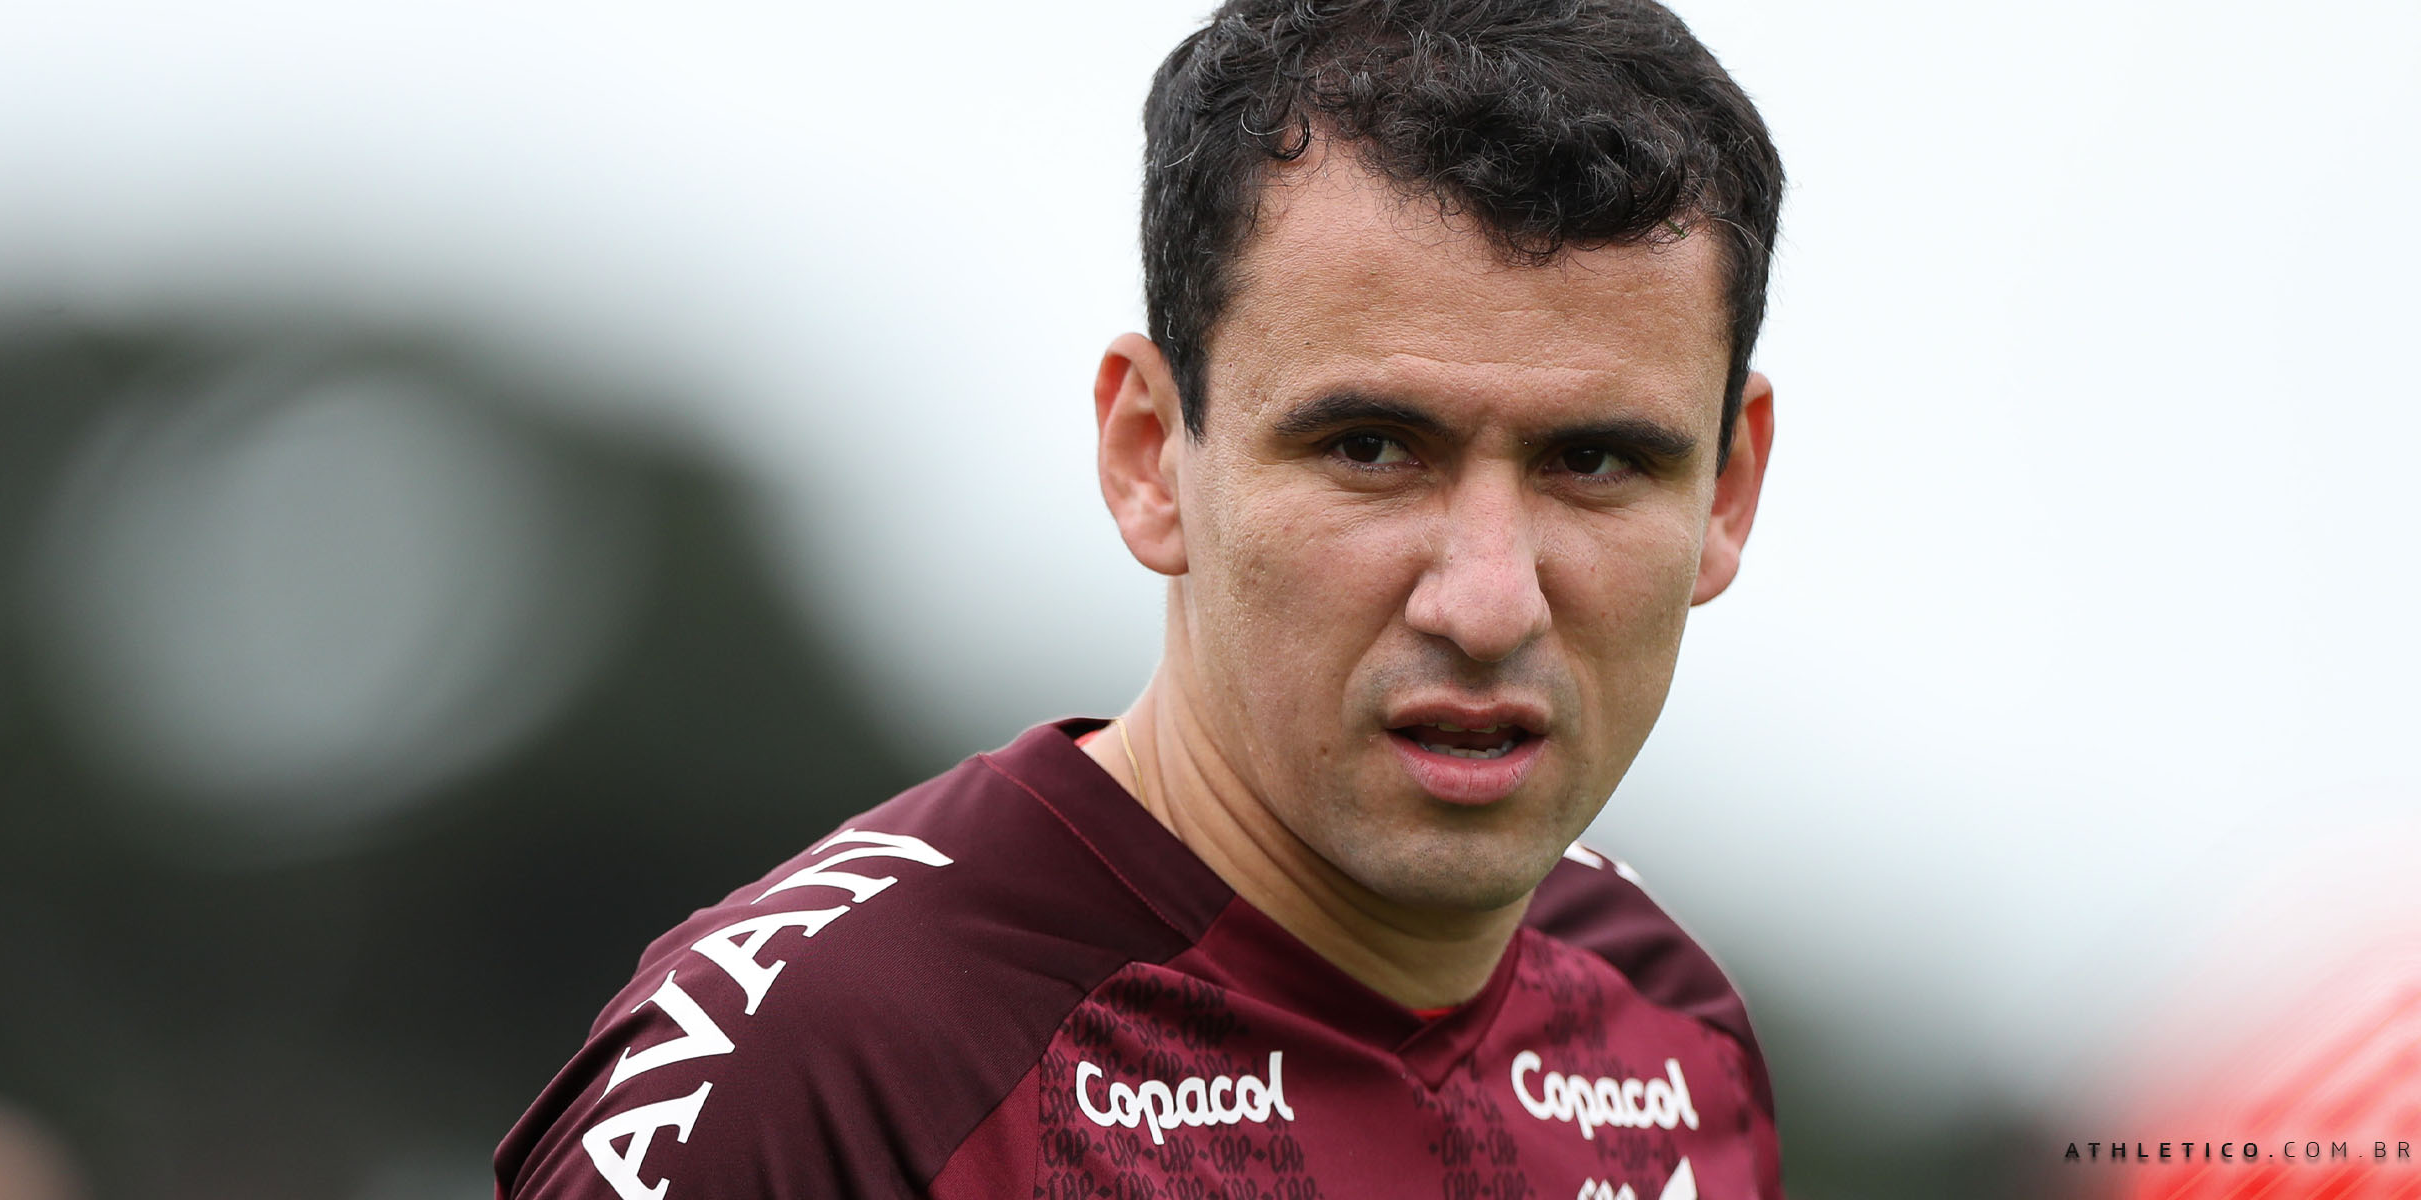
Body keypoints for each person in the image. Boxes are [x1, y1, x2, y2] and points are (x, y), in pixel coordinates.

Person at [492, 0, 1786, 1194]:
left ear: (1727, 494)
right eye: (1372, 449)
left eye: (1596, 462)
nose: (1488, 604)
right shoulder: (824, 1075)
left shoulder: (1666, 1027)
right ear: (1149, 455)